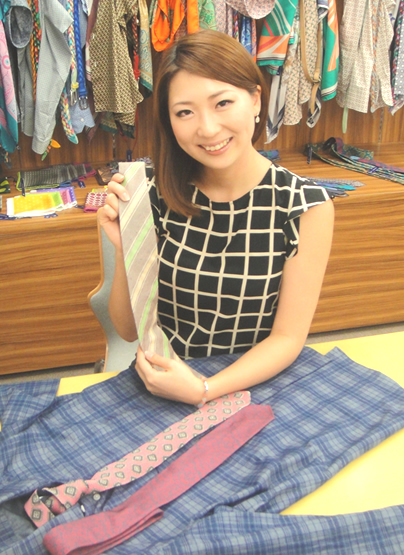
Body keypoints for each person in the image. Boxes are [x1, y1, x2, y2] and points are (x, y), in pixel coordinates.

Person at [98, 29, 334, 407]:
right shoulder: (150, 192)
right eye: (185, 112)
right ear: (169, 121)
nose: (207, 129)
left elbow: (288, 338)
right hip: (166, 381)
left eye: (222, 103)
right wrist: (127, 246)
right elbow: (127, 330)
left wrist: (205, 389)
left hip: (257, 384)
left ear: (255, 99)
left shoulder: (305, 206)